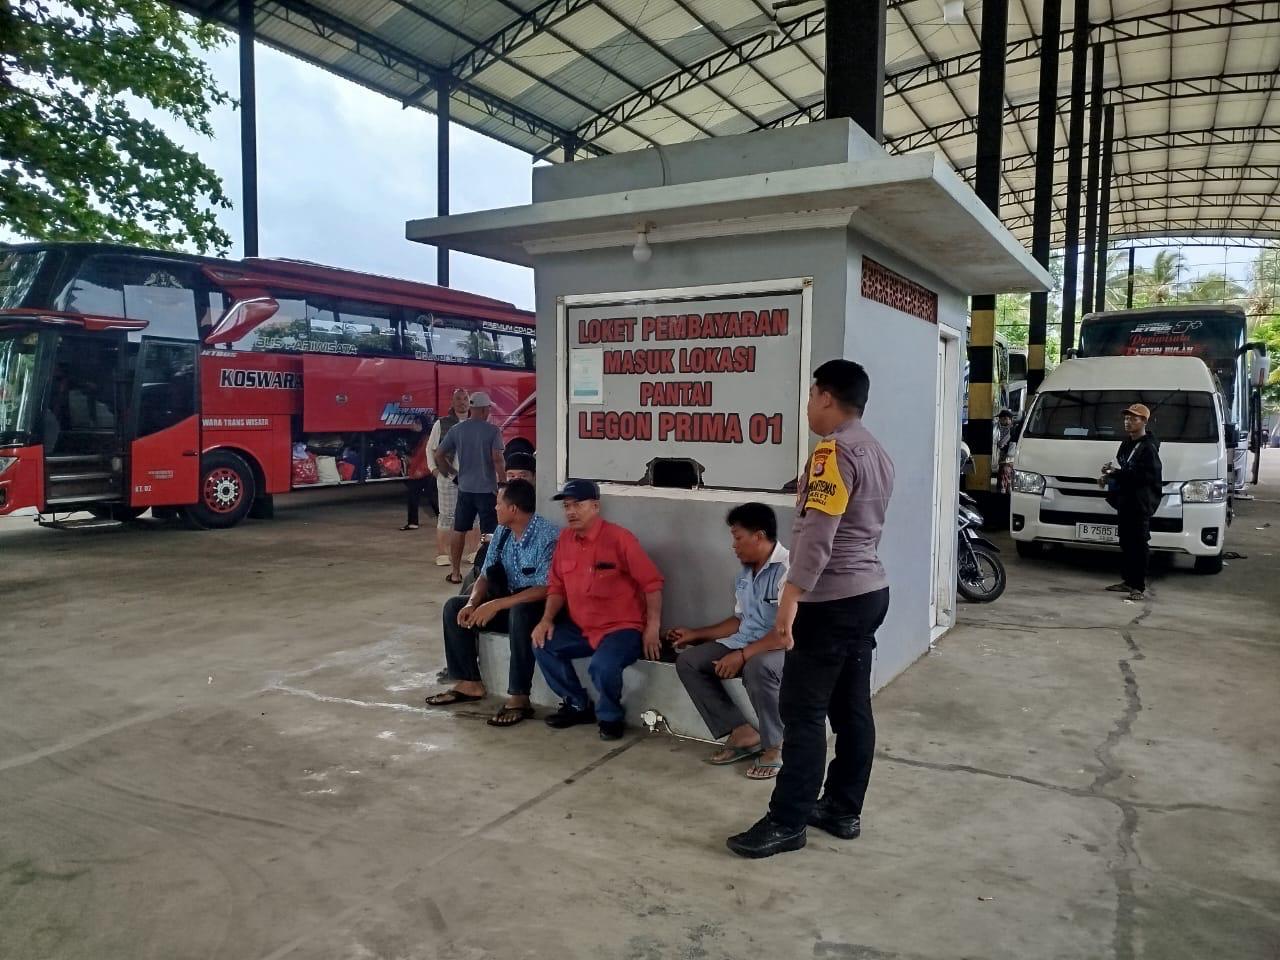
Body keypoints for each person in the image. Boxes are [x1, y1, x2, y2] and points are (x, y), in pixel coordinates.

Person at [726, 359, 895, 860]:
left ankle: (787, 820)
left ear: (825, 396)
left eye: (810, 396)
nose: (807, 407)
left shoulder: (833, 452)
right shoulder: (875, 450)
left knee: (802, 712)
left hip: (830, 601)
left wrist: (790, 599)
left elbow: (818, 535)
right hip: (868, 593)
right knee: (850, 708)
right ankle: (841, 808)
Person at [531, 479, 665, 741]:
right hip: (582, 628)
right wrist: (546, 619)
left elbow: (652, 583)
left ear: (595, 506)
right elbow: (557, 586)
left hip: (622, 629)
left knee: (602, 665)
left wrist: (653, 627)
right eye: (566, 506)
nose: (571, 511)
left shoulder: (620, 539)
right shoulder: (565, 540)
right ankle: (577, 704)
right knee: (541, 643)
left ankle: (610, 717)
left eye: (577, 505)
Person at [669, 502, 789, 780]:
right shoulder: (745, 574)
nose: (734, 546)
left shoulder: (788, 571)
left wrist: (743, 655)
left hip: (780, 647)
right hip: (745, 642)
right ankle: (742, 732)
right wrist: (695, 634)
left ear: (758, 536)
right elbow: (740, 620)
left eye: (738, 538)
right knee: (689, 661)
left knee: (757, 667)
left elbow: (784, 633)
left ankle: (775, 745)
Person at [425, 480, 559, 726]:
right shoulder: (502, 532)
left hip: (537, 607)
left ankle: (519, 696)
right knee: (454, 607)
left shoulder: (547, 535)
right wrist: (472, 603)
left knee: (520, 611)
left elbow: (547, 587)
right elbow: (485, 575)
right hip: (509, 603)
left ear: (513, 509)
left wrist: (497, 605)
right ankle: (469, 682)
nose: (494, 508)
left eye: (499, 504)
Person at [435, 391, 506, 585]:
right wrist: (503, 484)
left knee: (459, 530)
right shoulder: (493, 431)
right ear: (484, 410)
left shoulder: (457, 430)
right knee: (489, 533)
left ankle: (455, 573)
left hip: (465, 489)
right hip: (487, 490)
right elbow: (498, 459)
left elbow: (439, 454)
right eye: (488, 409)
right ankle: (486, 574)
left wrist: (452, 475)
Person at [1100, 403, 1162, 602]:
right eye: (1126, 418)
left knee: (1139, 543)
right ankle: (1127, 581)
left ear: (1144, 421)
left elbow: (1145, 476)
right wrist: (1109, 475)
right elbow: (1126, 469)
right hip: (1126, 500)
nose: (1128, 422)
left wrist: (1116, 473)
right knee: (1126, 541)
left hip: (1140, 503)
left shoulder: (1148, 447)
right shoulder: (1127, 443)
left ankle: (1138, 586)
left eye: (1133, 419)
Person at [426, 389, 479, 567]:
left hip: (472, 478)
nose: (462, 402)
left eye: (465, 398)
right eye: (458, 398)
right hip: (447, 477)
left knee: (474, 516)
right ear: (452, 401)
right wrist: (434, 470)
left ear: (469, 402)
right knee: (446, 516)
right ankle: (442, 554)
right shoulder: (441, 424)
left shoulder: (478, 423)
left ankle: (474, 552)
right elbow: (430, 448)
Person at [401, 414, 433, 531]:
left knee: (431, 498)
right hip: (417, 472)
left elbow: (426, 457)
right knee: (415, 497)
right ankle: (413, 522)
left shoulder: (426, 439)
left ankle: (447, 519)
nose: (413, 425)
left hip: (424, 472)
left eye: (417, 423)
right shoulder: (416, 438)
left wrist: (421, 470)